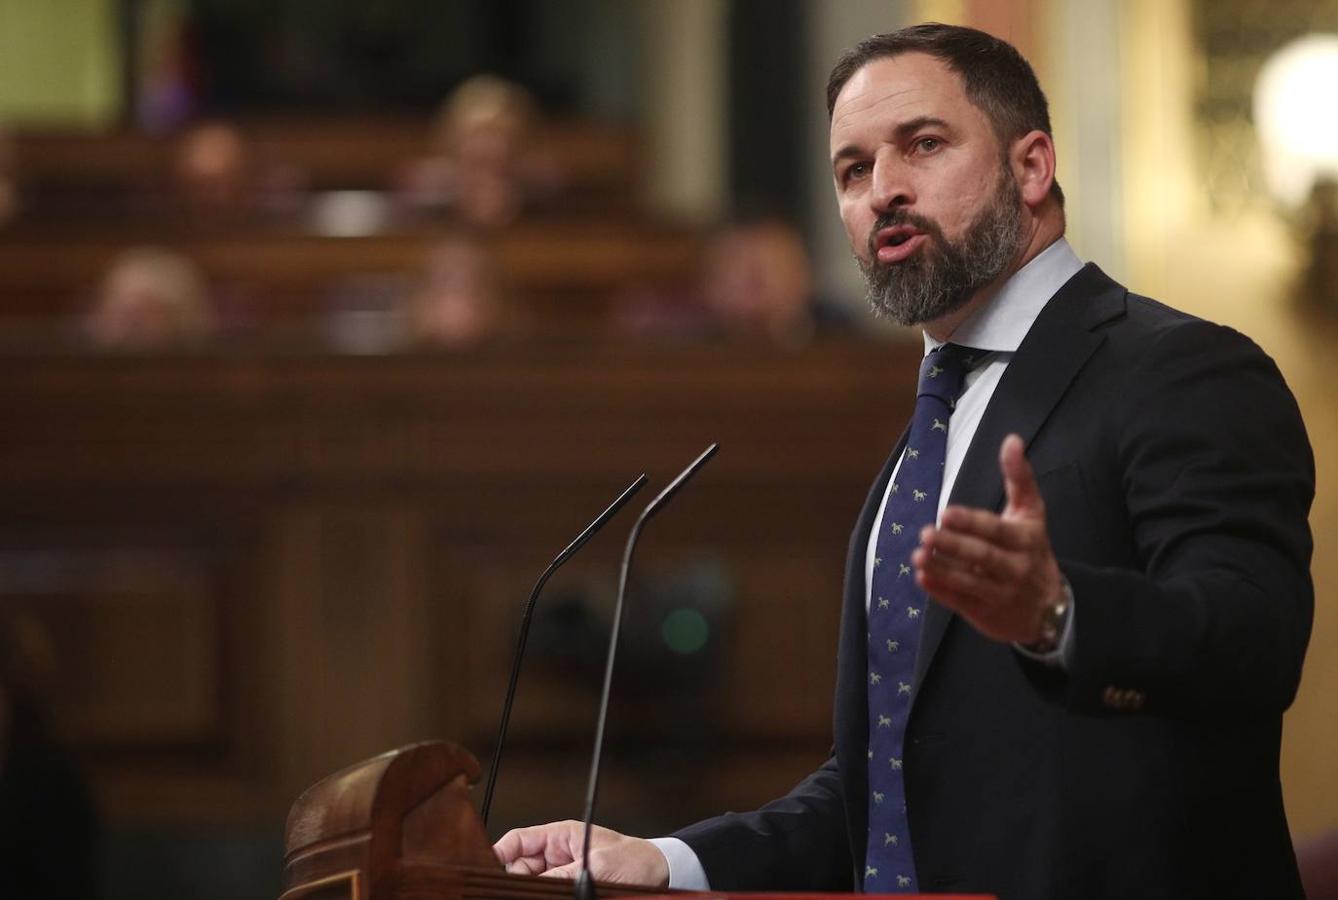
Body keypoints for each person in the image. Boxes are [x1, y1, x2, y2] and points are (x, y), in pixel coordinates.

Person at [494, 23, 1314, 899]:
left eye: (922, 145)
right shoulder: (930, 429)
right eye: (852, 170)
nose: (884, 189)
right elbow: (885, 788)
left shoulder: (1180, 369)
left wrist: (1062, 615)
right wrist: (669, 860)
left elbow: (1251, 644)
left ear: (1031, 167)